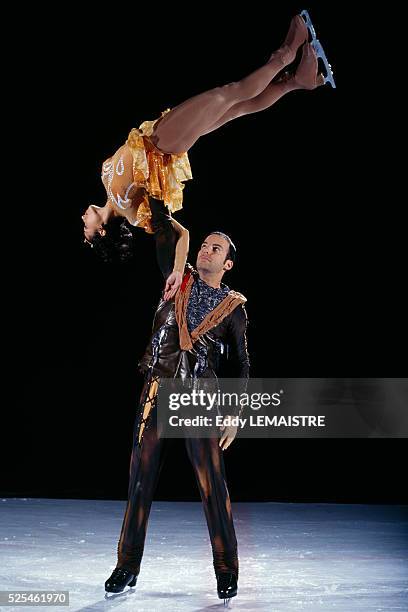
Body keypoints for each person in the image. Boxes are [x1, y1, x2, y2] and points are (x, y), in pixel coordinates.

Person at [83, 9, 334, 274]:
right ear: (100, 232)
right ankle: (287, 53)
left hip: (157, 133)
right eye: (85, 229)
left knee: (235, 108)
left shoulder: (105, 182)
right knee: (226, 94)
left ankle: (296, 82)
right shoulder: (133, 214)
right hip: (162, 144)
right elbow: (179, 235)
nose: (82, 219)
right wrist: (176, 271)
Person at [104, 199, 250, 602]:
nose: (206, 249)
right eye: (204, 244)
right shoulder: (176, 279)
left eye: (216, 248)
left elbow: (241, 365)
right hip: (157, 391)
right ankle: (126, 566)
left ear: (228, 264)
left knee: (212, 487)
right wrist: (156, 189)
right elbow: (164, 229)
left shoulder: (233, 308)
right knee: (139, 482)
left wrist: (235, 414)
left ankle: (226, 570)